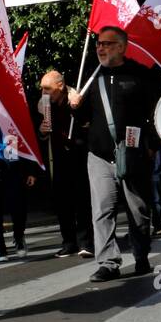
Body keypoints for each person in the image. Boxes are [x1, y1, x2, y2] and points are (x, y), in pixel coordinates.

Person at [67, 25, 161, 282]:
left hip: (133, 152)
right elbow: (85, 117)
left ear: (121, 47)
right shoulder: (92, 76)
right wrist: (75, 107)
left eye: (107, 44)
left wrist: (152, 144)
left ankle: (141, 255)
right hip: (99, 154)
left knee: (138, 210)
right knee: (102, 210)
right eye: (99, 43)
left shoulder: (140, 75)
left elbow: (156, 112)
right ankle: (108, 262)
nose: (100, 47)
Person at [38, 69, 94, 259]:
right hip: (58, 158)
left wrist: (77, 109)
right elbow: (40, 133)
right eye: (42, 89)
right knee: (62, 202)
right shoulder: (44, 105)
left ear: (60, 87)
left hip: (79, 156)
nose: (44, 93)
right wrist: (42, 130)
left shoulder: (77, 99)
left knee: (82, 201)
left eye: (47, 89)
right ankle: (68, 242)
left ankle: (86, 242)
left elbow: (89, 124)